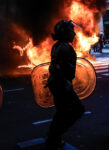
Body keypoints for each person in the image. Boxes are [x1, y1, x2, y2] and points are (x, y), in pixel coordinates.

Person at [45, 20, 85, 150]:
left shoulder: (57, 46)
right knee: (78, 110)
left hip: (56, 84)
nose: (74, 33)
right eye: (71, 31)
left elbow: (54, 67)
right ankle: (54, 137)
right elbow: (55, 67)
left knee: (61, 112)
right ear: (65, 33)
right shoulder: (65, 48)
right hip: (61, 85)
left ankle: (53, 138)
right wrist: (66, 82)